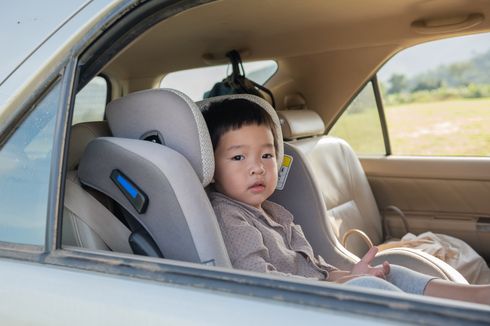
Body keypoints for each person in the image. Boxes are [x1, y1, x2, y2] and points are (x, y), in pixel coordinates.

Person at [201, 97, 490, 305]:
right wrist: (346, 283)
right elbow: (262, 283)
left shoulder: (275, 212)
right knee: (367, 286)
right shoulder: (230, 217)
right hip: (294, 306)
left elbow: (314, 267)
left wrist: (347, 274)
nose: (257, 167)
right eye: (238, 157)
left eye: (266, 155)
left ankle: (476, 298)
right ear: (212, 166)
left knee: (389, 273)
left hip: (317, 293)